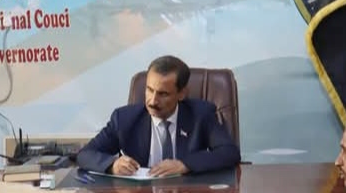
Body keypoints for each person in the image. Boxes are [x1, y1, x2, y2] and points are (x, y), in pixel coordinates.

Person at [76, 54, 241, 176]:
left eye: (163, 94)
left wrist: (185, 164)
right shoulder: (124, 119)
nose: (153, 101)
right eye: (149, 90)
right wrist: (112, 165)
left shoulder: (201, 114)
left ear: (182, 94)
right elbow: (85, 154)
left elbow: (229, 152)